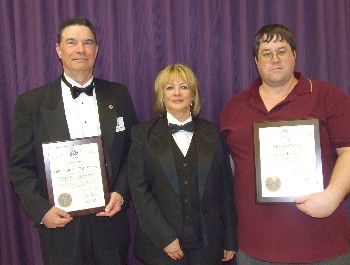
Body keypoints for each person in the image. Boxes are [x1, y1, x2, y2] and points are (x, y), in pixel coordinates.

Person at [9, 16, 137, 265]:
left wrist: (121, 193)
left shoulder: (119, 95)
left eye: (88, 42)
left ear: (96, 50)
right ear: (58, 49)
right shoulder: (31, 104)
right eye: (72, 42)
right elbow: (20, 168)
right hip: (61, 229)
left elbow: (133, 152)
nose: (80, 49)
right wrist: (42, 211)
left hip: (109, 227)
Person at [220, 24, 350, 264]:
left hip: (322, 246)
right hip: (254, 249)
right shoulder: (234, 107)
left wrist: (333, 196)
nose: (275, 58)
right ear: (256, 61)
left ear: (295, 55)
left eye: (282, 50)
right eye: (267, 53)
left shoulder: (326, 95)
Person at [128, 64, 237, 265]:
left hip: (207, 246)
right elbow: (139, 193)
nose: (177, 93)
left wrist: (230, 239)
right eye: (169, 87)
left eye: (184, 87)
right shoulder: (142, 135)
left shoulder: (213, 133)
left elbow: (226, 190)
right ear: (161, 96)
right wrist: (165, 238)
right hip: (161, 248)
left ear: (193, 94)